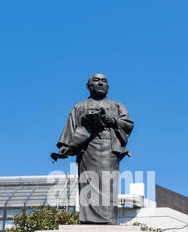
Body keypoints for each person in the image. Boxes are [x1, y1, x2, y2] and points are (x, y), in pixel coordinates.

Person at [52, 73, 134, 224]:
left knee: (108, 184)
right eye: (96, 80)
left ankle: (108, 219)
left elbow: (128, 124)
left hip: (109, 149)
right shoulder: (79, 107)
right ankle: (88, 219)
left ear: (108, 86)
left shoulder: (117, 106)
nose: (100, 83)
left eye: (104, 81)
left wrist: (113, 121)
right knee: (88, 183)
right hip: (87, 150)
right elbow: (70, 128)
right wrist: (65, 146)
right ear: (88, 86)